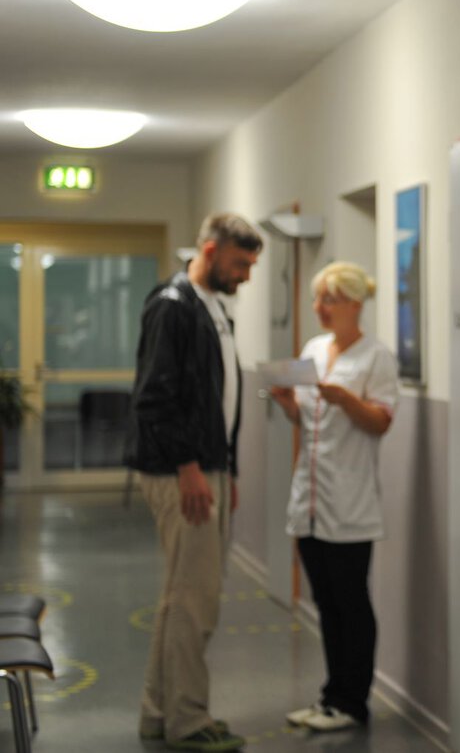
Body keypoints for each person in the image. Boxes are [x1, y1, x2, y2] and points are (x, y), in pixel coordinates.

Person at [125, 213, 262, 752]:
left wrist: (227, 468)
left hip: (208, 466)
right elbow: (155, 397)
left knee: (179, 596)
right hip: (182, 470)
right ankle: (188, 720)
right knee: (194, 601)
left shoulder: (212, 309)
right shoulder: (173, 306)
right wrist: (189, 469)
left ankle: (159, 712)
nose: (246, 275)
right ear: (209, 251)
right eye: (240, 263)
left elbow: (216, 399)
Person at [269, 261, 397, 732]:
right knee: (324, 602)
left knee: (351, 603)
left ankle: (353, 701)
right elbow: (306, 420)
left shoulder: (376, 357)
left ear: (355, 304)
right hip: (310, 499)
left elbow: (381, 422)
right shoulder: (314, 350)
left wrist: (347, 400)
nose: (320, 308)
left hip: (349, 503)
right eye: (317, 299)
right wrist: (289, 405)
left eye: (330, 299)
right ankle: (331, 696)